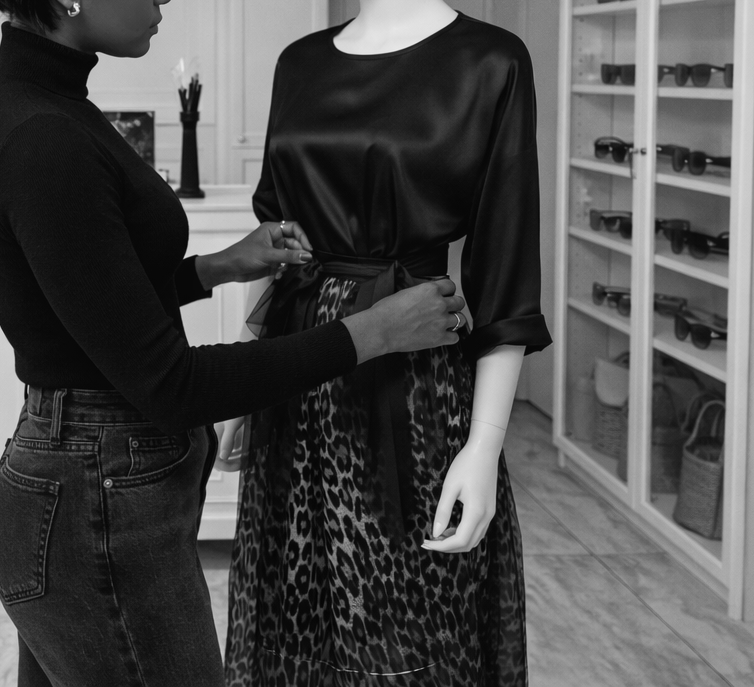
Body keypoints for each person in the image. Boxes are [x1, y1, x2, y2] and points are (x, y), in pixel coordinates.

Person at [0, 0, 470, 684]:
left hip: (87, 492)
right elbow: (172, 386)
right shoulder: (43, 136)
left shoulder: (44, 105)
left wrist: (217, 268)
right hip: (92, 506)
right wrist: (375, 331)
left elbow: (89, 308)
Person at [215, 1, 552, 684]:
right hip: (301, 369)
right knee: (294, 601)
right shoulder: (300, 62)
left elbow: (502, 270)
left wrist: (483, 442)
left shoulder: (490, 60)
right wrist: (250, 382)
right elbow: (281, 238)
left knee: (414, 614)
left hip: (414, 370)